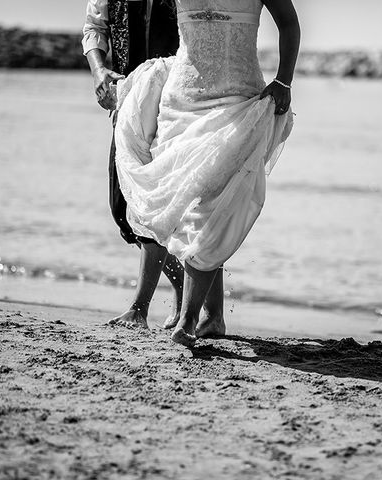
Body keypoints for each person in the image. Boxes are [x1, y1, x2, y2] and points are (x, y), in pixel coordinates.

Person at [114, 0, 300, 346]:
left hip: (237, 100)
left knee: (214, 206)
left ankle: (188, 319)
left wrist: (284, 81)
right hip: (180, 102)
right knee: (189, 207)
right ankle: (212, 318)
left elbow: (289, 23)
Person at [82, 0, 226, 332]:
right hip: (127, 103)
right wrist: (99, 71)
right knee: (123, 209)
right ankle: (182, 292)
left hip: (177, 105)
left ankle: (143, 308)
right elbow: (94, 28)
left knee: (169, 204)